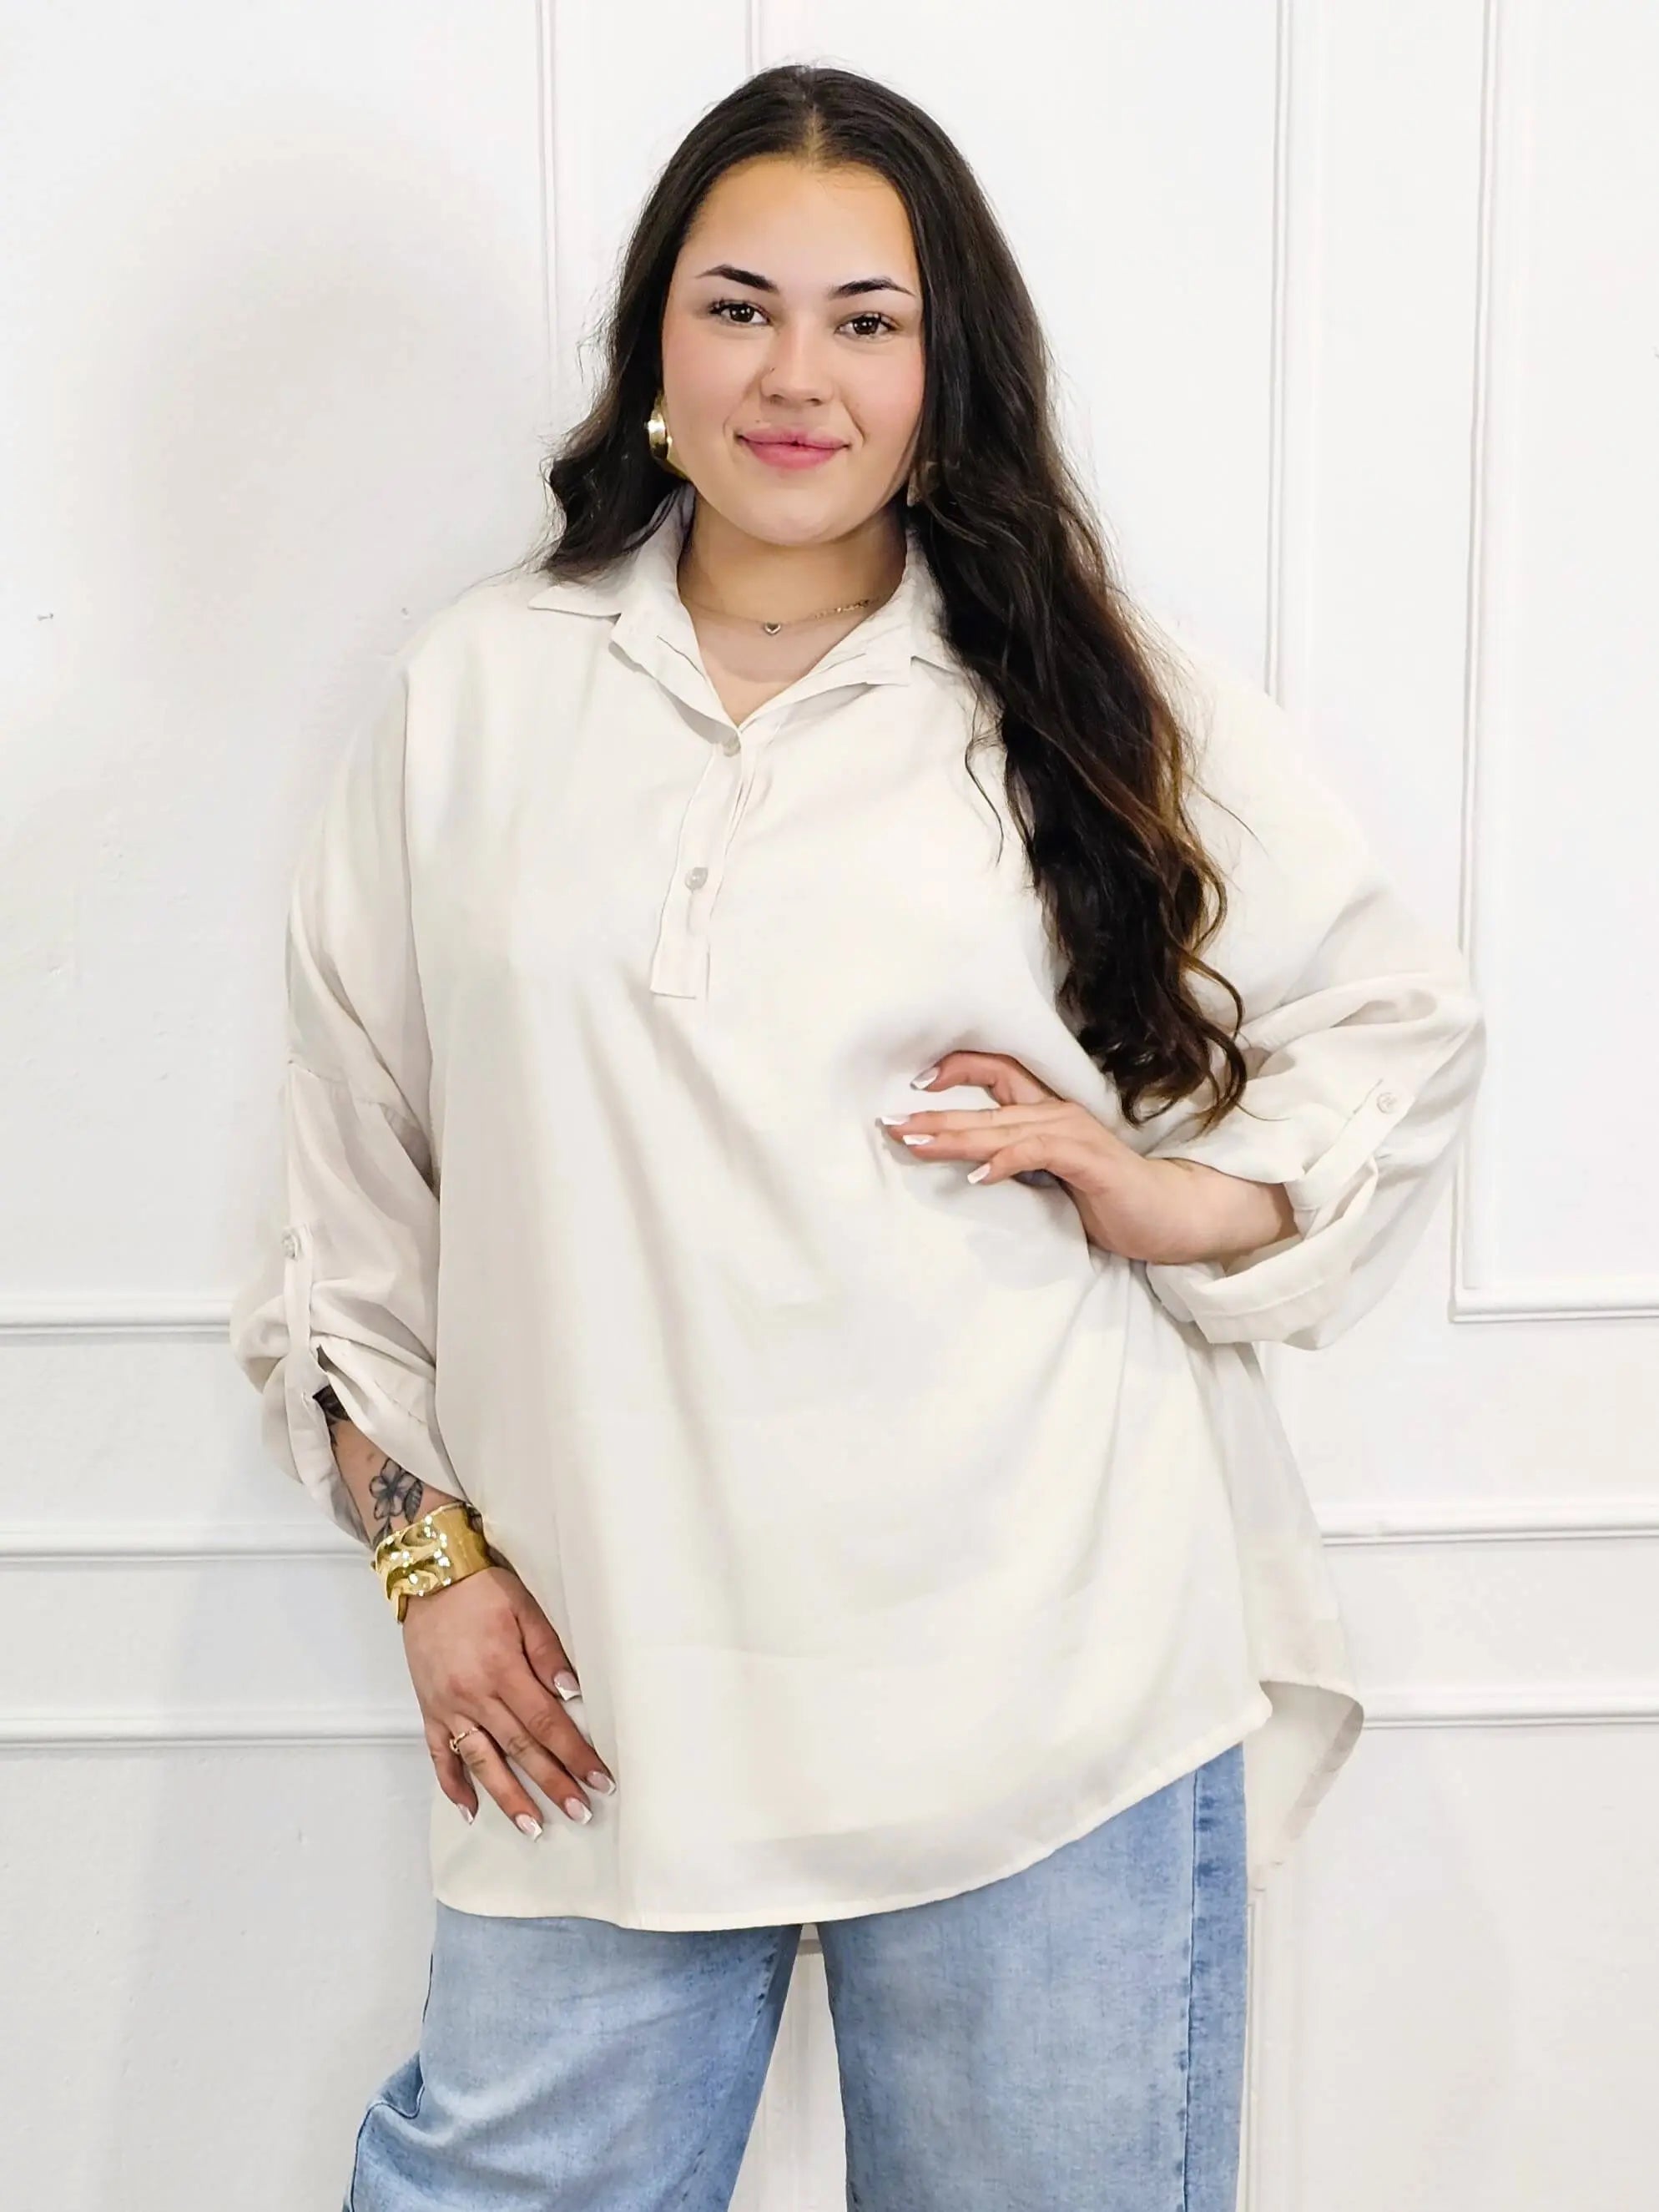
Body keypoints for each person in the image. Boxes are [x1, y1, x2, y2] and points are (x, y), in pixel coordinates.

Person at [229, 60, 1485, 2212]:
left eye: (866, 320)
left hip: (1044, 1682)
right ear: (656, 343)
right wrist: (429, 1565)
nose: (795, 375)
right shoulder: (478, 694)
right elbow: (353, 1201)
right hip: (600, 1698)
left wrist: (1169, 1194)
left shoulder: (1082, 689)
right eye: (739, 308)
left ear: (941, 365)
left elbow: (1391, 1014)